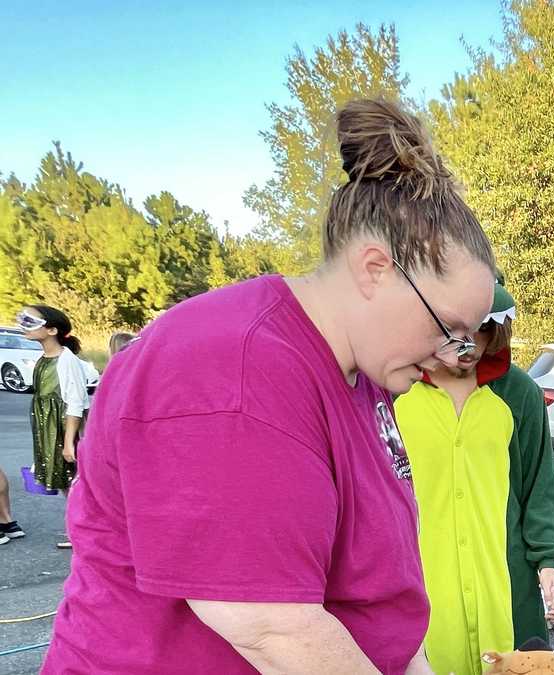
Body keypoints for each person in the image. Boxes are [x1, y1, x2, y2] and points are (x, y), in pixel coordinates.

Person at [43, 98, 497, 674]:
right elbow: (274, 630)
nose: (449, 356)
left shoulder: (366, 372)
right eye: (447, 328)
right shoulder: (233, 372)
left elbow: (379, 592)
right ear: (375, 269)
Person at [392, 278, 554, 675]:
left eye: (484, 327)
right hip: (421, 588)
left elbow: (539, 487)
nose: (471, 342)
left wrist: (548, 565)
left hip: (506, 588)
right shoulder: (394, 391)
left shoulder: (518, 394)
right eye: (457, 328)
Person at [16, 305, 90, 549]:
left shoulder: (67, 361)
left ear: (52, 330)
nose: (23, 324)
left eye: (30, 320)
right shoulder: (43, 358)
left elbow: (76, 402)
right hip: (47, 428)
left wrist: (69, 441)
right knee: (64, 483)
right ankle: (77, 532)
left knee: (73, 484)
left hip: (60, 429)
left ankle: (81, 534)